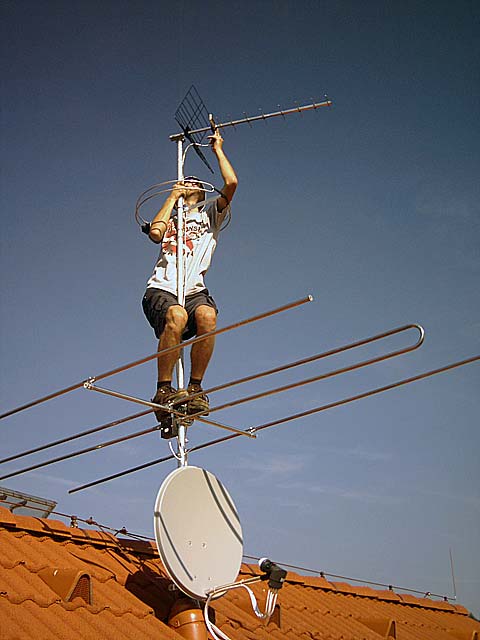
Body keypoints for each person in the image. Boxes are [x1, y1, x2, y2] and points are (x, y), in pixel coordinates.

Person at [142, 130, 238, 421]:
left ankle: (195, 389)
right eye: (188, 181)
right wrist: (173, 196)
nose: (191, 182)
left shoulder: (210, 215)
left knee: (207, 316)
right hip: (162, 287)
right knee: (177, 315)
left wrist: (218, 149)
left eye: (195, 182)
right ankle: (163, 390)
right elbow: (155, 233)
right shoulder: (171, 217)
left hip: (193, 288)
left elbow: (231, 183)